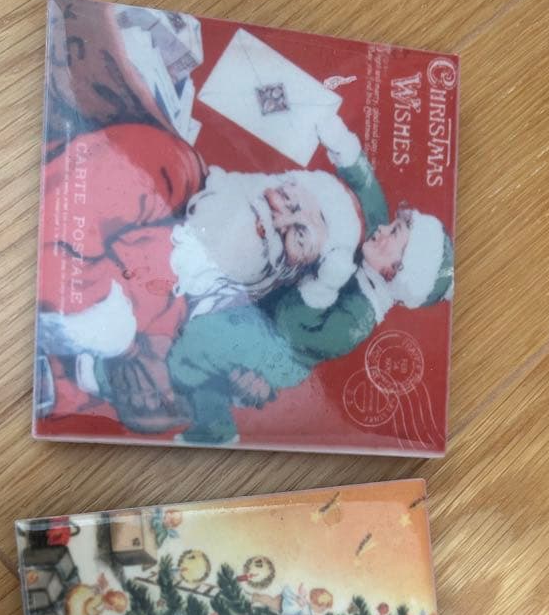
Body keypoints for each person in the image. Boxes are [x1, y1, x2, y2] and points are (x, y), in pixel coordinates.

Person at [37, 120, 365, 432]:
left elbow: (149, 392)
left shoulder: (210, 309)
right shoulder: (171, 166)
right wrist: (117, 339)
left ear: (290, 274)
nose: (276, 222)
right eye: (288, 201)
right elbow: (59, 228)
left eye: (299, 237)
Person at [164, 119, 454, 444]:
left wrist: (324, 284)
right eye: (392, 226)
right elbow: (368, 190)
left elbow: (291, 326)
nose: (383, 229)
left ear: (394, 273)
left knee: (200, 341)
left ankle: (214, 424)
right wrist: (342, 144)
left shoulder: (355, 321)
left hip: (280, 350)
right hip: (275, 299)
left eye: (393, 234)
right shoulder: (376, 240)